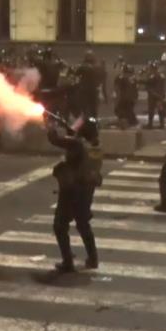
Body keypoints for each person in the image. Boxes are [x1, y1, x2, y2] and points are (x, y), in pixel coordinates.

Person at [47, 116, 102, 272]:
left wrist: (50, 125)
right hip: (86, 190)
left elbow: (54, 139)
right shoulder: (94, 146)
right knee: (83, 223)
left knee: (60, 226)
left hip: (72, 190)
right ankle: (93, 258)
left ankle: (68, 261)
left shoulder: (76, 144)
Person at [113, 64, 139, 129]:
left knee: (121, 112)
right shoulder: (133, 78)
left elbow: (117, 89)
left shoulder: (120, 77)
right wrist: (135, 98)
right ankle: (129, 122)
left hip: (123, 98)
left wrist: (117, 99)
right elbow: (135, 90)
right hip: (131, 99)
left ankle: (125, 123)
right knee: (129, 113)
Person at [143, 61, 166, 129]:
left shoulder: (152, 75)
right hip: (160, 94)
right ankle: (162, 124)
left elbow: (148, 84)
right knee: (160, 109)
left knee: (151, 109)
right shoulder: (162, 75)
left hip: (153, 95)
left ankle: (150, 124)